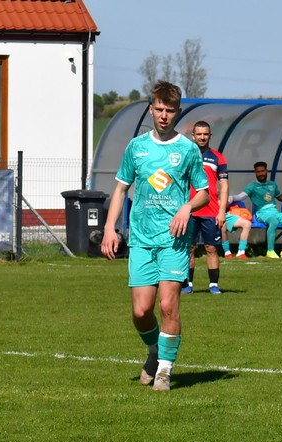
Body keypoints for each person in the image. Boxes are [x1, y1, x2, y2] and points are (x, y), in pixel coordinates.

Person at [100, 80, 208, 391]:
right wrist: (109, 228)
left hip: (174, 240)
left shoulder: (187, 149)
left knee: (168, 305)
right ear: (151, 109)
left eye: (169, 110)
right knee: (141, 310)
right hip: (141, 239)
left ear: (177, 112)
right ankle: (154, 351)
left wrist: (187, 207)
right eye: (159, 109)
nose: (163, 115)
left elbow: (203, 192)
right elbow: (121, 189)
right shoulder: (136, 147)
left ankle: (164, 371)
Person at [183, 120, 228, 295]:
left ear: (210, 136)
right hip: (190, 210)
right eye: (199, 134)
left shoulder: (218, 157)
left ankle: (214, 285)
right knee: (189, 248)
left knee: (211, 248)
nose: (202, 137)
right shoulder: (186, 155)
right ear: (193, 136)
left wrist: (222, 211)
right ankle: (188, 284)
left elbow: (224, 186)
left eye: (205, 134)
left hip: (211, 211)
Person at [229, 161, 282, 259]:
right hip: (262, 213)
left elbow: (280, 197)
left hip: (275, 212)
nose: (261, 174)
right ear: (255, 172)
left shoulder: (272, 185)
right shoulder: (252, 187)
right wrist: (230, 198)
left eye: (262, 171)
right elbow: (240, 197)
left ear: (266, 171)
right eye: (258, 172)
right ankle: (270, 251)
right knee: (273, 221)